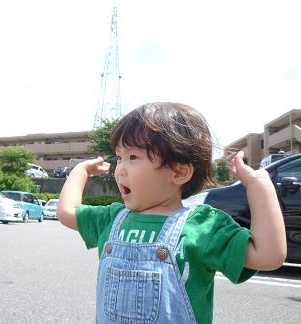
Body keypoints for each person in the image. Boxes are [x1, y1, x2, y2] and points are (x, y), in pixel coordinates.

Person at [57, 102, 286, 324]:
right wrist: (79, 171)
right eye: (119, 157)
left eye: (133, 157)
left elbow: (269, 255)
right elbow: (67, 212)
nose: (121, 170)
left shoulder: (201, 227)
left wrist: (259, 186)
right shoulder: (112, 217)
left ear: (178, 172)